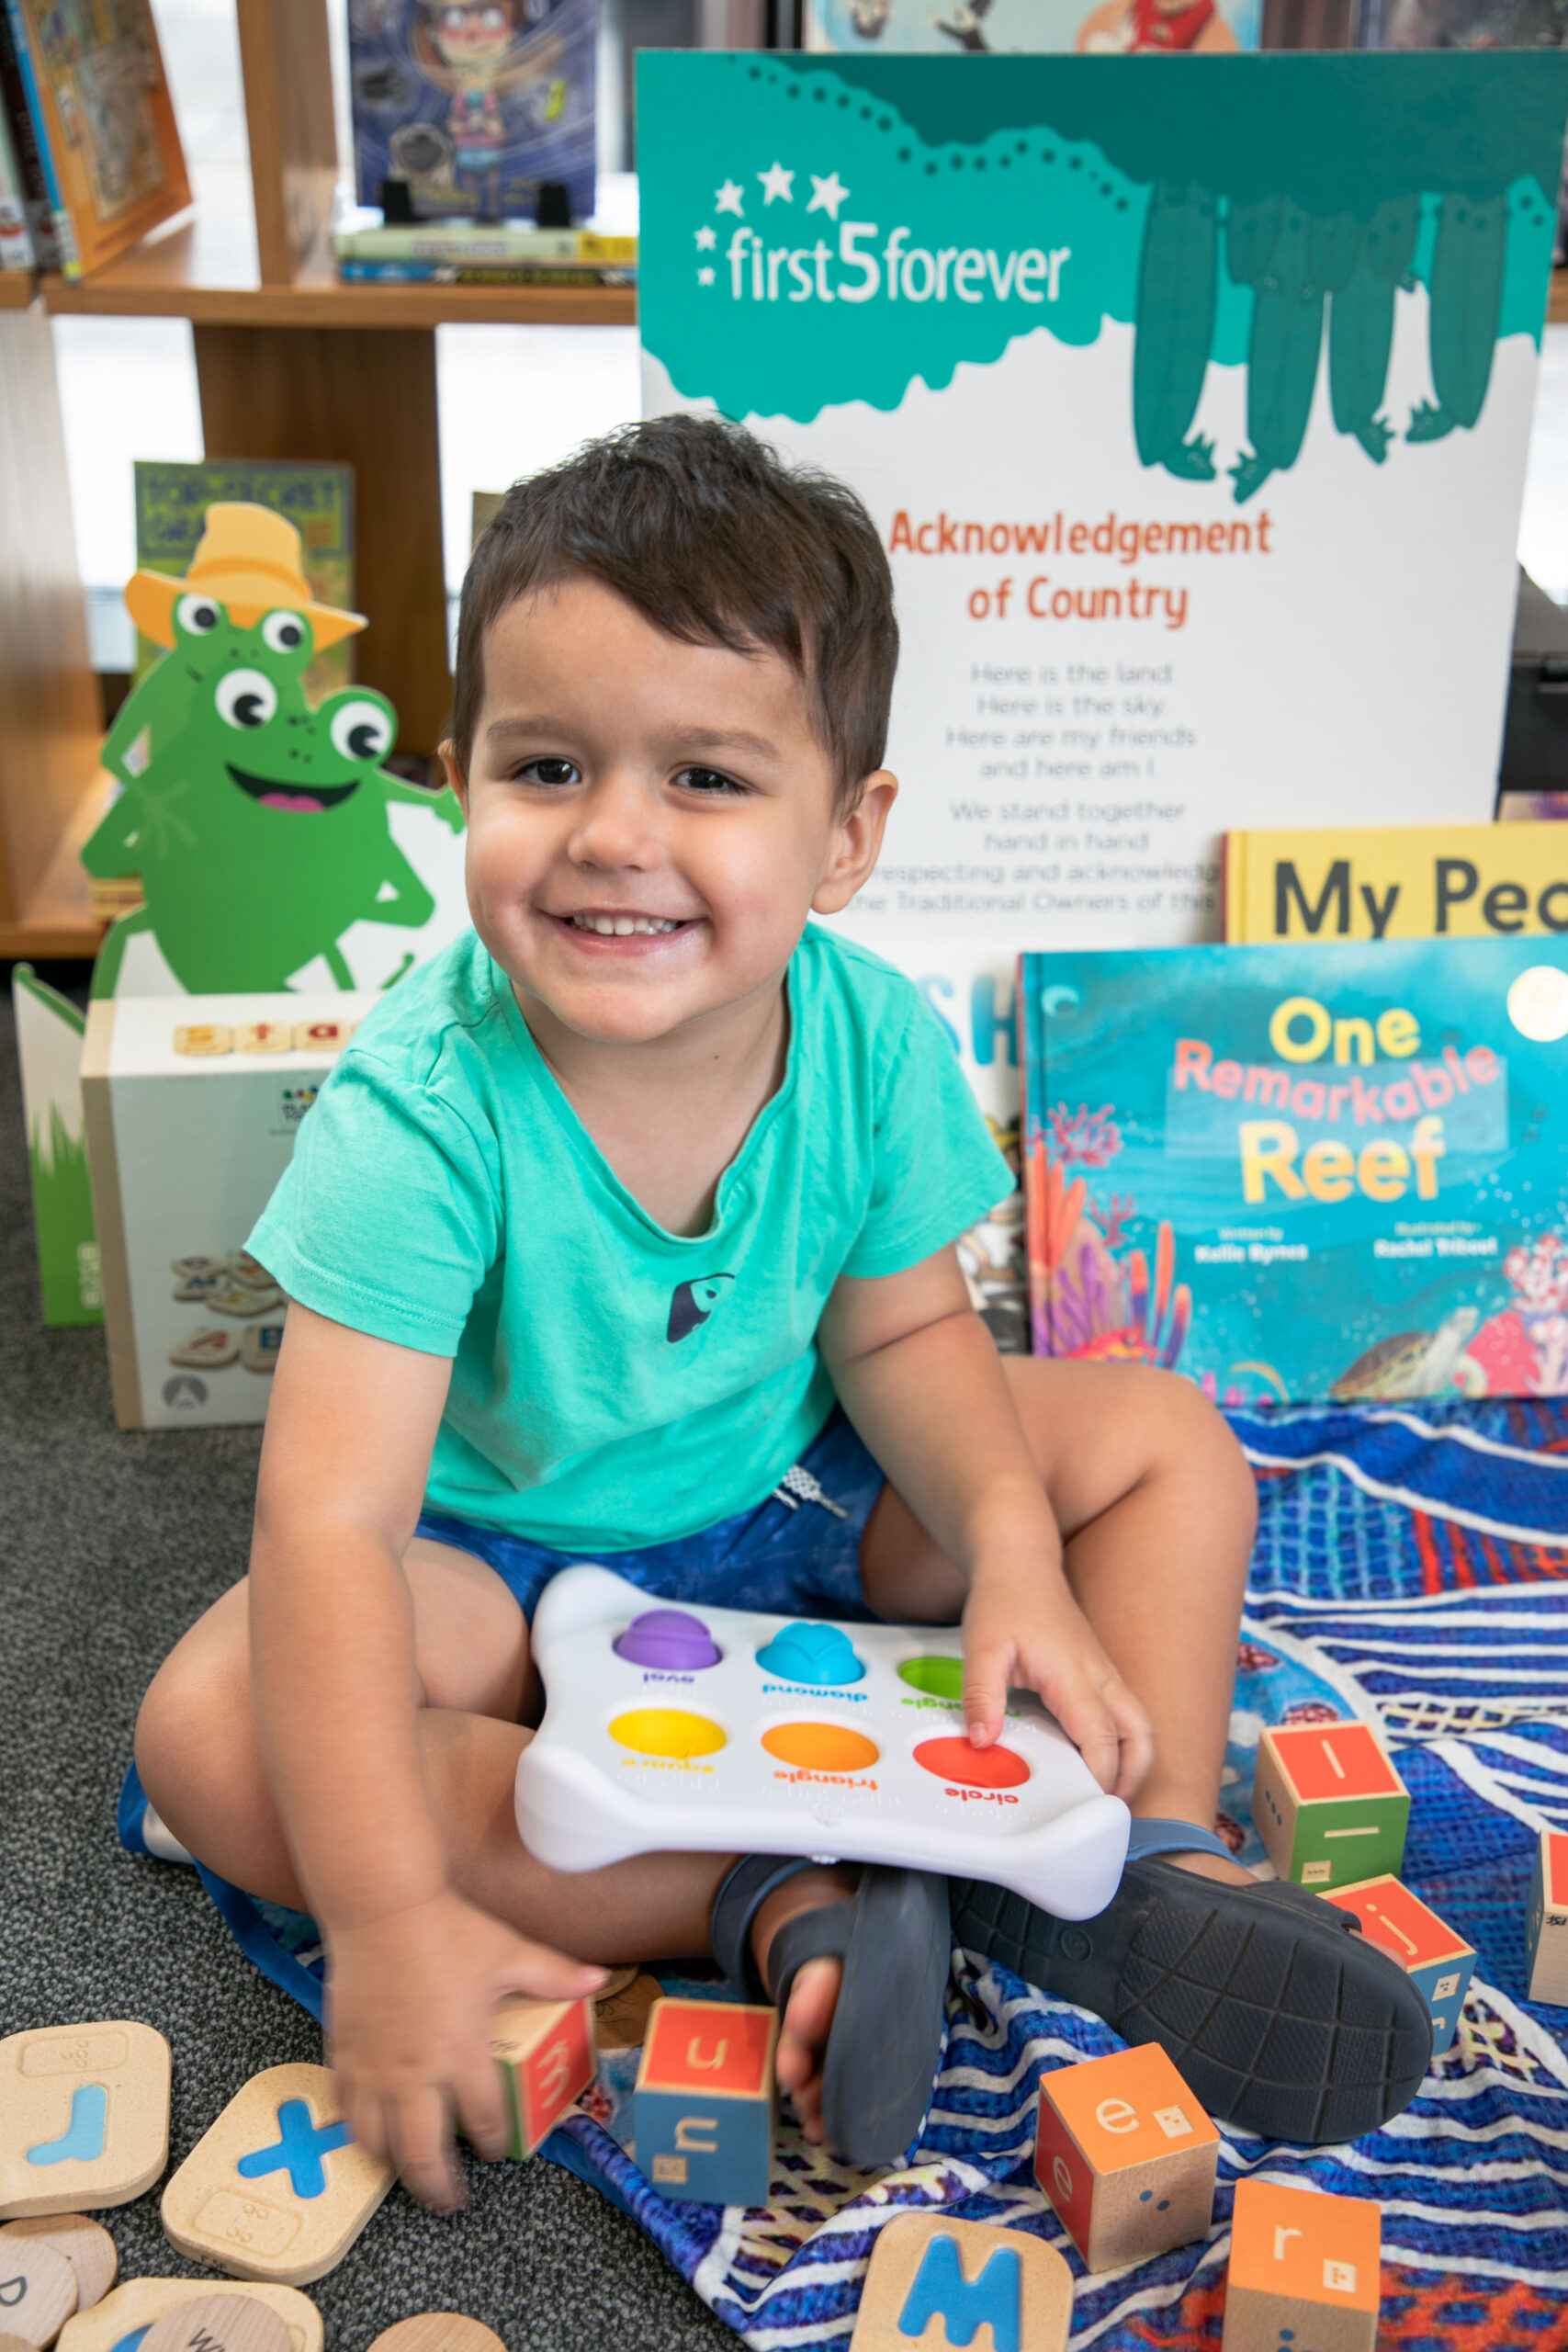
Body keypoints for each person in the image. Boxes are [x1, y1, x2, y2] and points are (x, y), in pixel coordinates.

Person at [134, 416, 1429, 2213]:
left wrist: (1008, 1551)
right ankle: (777, 1889)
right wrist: (384, 1909)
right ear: (458, 781)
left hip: (800, 1499)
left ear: (844, 836)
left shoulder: (870, 1036)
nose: (612, 834)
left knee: (1155, 1438)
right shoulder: (419, 1102)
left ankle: (1135, 1851)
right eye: (546, 763)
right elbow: (330, 1518)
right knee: (210, 1724)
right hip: (500, 1561)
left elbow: (902, 1339)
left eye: (708, 779)